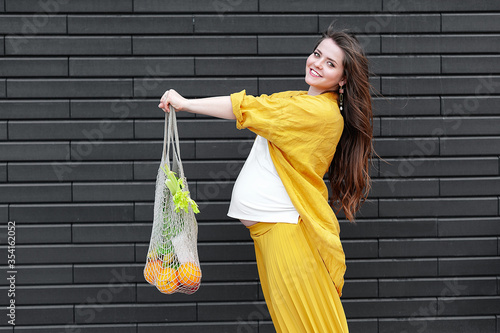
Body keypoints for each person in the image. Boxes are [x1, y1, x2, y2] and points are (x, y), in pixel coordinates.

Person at [158, 24, 373, 333]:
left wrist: (186, 103)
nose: (317, 64)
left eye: (330, 63)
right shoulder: (301, 102)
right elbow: (264, 109)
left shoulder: (318, 113)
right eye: (317, 54)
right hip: (273, 234)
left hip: (285, 236)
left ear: (343, 79)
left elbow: (247, 108)